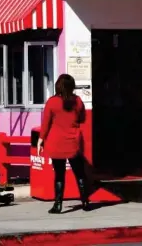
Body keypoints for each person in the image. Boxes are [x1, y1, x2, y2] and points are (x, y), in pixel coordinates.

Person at [37, 74, 91, 214]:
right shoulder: (78, 101)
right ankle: (85, 201)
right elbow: (82, 118)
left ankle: (58, 204)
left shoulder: (52, 102)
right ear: (72, 86)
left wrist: (40, 140)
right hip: (73, 142)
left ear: (58, 86)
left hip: (56, 142)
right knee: (79, 173)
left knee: (59, 174)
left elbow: (46, 124)